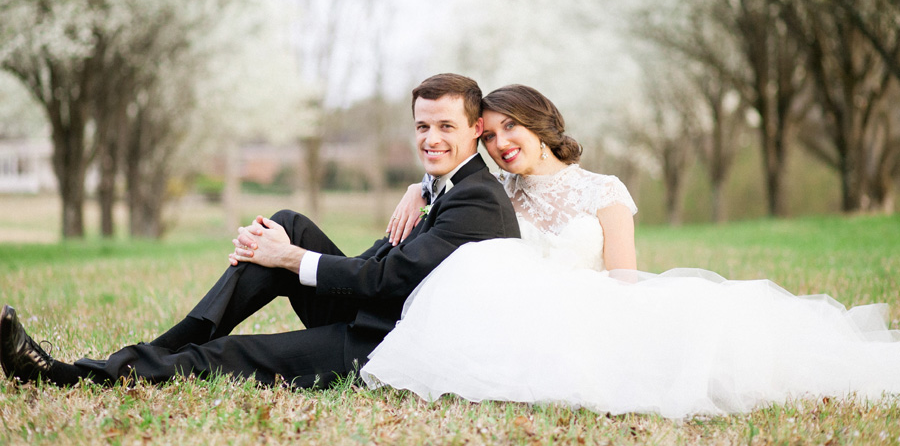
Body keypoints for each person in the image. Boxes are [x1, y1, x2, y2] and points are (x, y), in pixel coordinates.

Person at [362, 84, 900, 419]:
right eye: (493, 135)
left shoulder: (604, 190)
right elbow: (450, 188)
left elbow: (625, 279)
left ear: (539, 125)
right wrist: (418, 187)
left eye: (512, 127)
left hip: (599, 308)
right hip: (523, 317)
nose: (502, 144)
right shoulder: (497, 195)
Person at [0, 73, 520, 388]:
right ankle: (157, 349)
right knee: (288, 223)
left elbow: (388, 280)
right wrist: (419, 186)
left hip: (385, 341)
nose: (430, 139)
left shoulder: (476, 200)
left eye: (446, 127)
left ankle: (75, 375)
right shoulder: (447, 184)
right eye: (422, 126)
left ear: (476, 129)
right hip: (374, 313)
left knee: (226, 356)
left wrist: (287, 259)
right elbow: (383, 268)